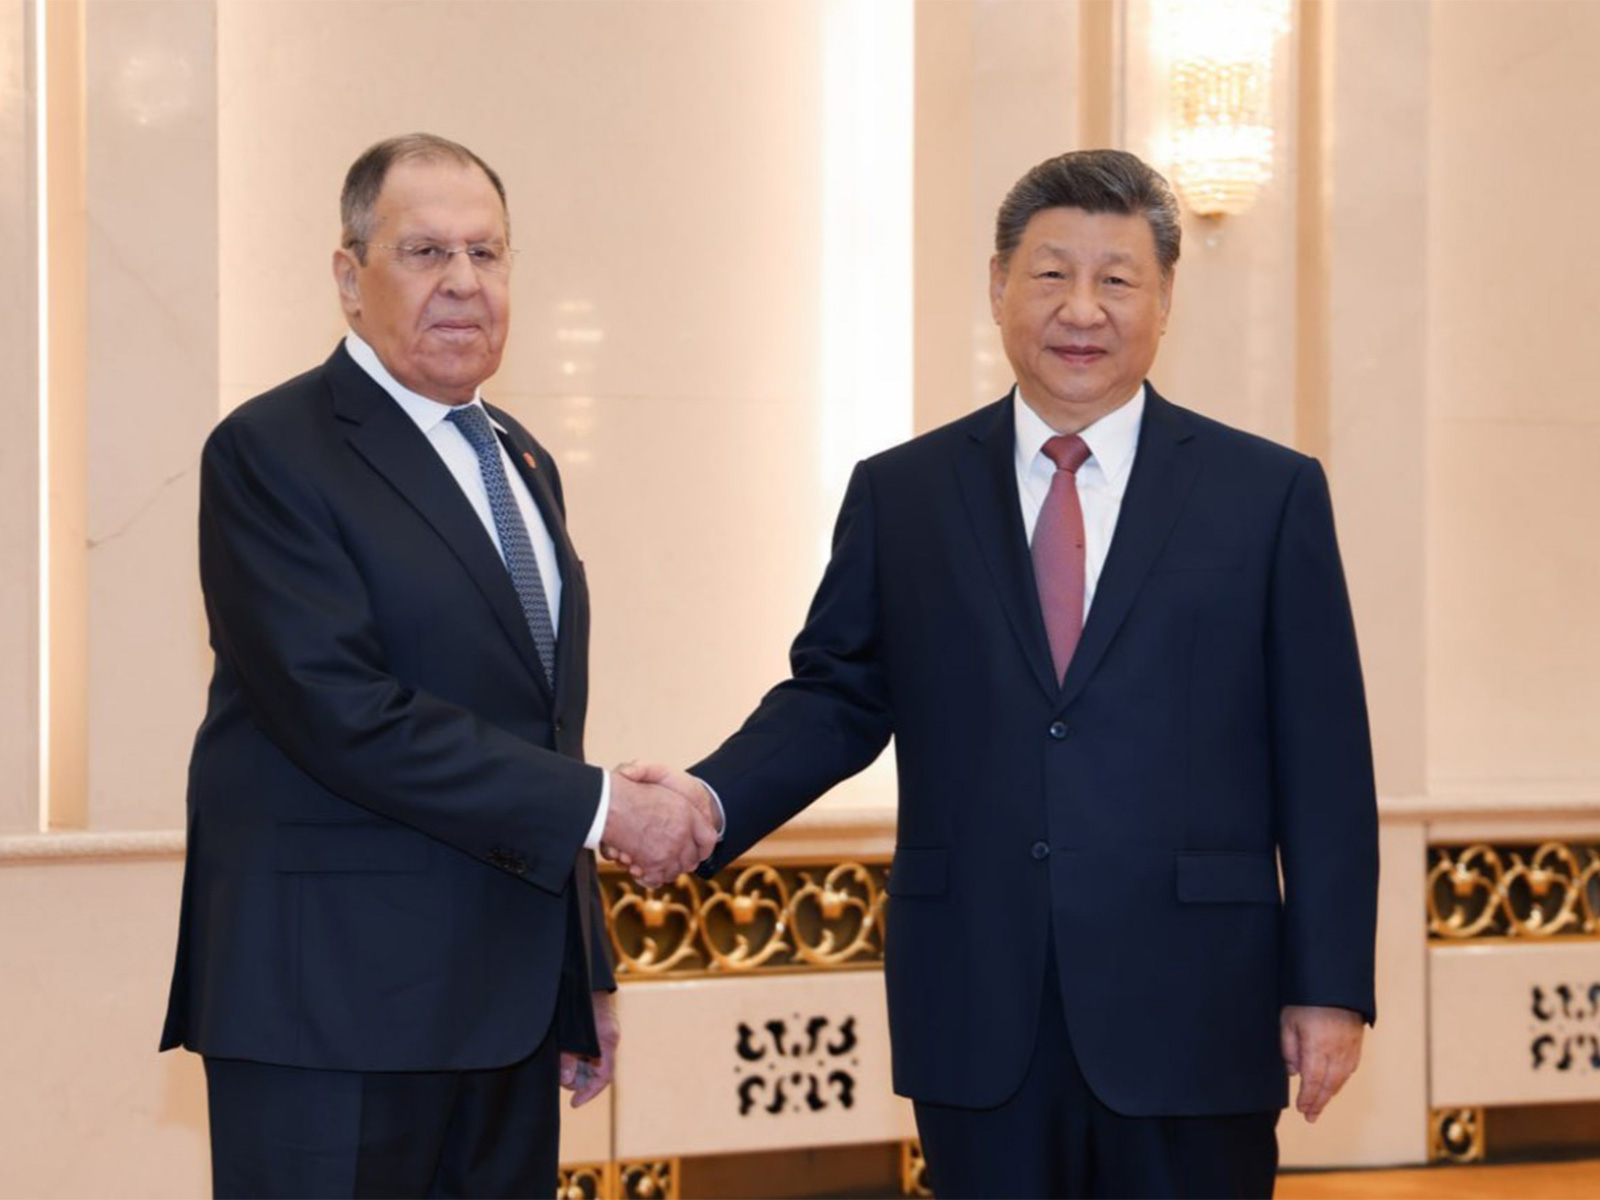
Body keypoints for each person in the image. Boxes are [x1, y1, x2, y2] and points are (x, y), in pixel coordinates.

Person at [626, 149, 1378, 1199]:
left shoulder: (1267, 494)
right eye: (1050, 274)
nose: (1082, 309)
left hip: (1197, 1002)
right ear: (996, 285)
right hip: (978, 998)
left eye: (1117, 279)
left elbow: (1325, 761)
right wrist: (709, 800)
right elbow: (836, 697)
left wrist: (1330, 985)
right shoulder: (904, 494)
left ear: (1165, 298)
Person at [159, 133, 715, 1199]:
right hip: (330, 1014)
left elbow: (541, 730)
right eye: (425, 252)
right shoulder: (271, 450)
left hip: (505, 1014)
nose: (463, 281)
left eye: (486, 252)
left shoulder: (522, 458)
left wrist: (580, 972)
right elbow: (343, 712)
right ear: (348, 277)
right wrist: (609, 810)